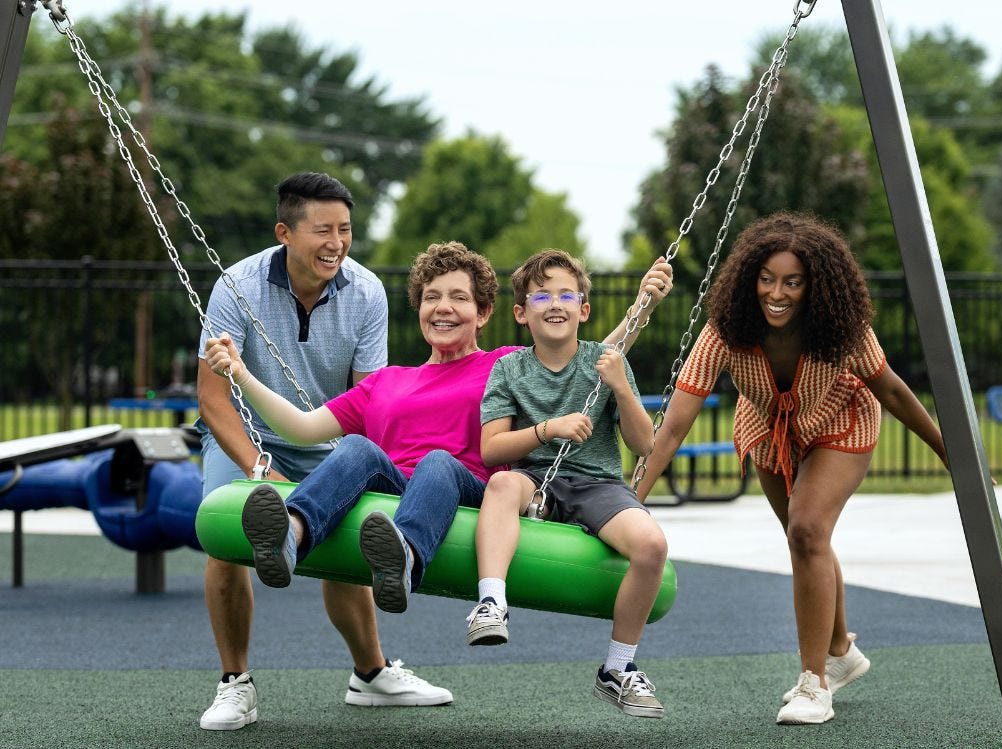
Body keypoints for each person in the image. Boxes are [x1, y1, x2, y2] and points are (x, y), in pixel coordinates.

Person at [202, 241, 672, 710]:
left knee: (437, 461)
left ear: (484, 312)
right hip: (398, 488)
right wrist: (242, 374)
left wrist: (641, 308)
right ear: (419, 309)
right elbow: (301, 428)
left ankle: (402, 555)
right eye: (432, 297)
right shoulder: (384, 382)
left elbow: (583, 360)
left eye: (459, 298)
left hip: (462, 486)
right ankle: (292, 532)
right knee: (355, 447)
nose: (443, 308)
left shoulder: (502, 364)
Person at [636, 212, 948, 726]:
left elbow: (889, 387)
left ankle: (814, 683)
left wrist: (946, 451)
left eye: (792, 282)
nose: (775, 293)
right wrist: (633, 501)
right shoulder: (726, 331)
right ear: (748, 279)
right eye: (766, 279)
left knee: (807, 528)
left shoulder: (840, 328)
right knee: (807, 538)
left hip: (840, 421)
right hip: (770, 432)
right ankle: (843, 651)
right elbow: (672, 427)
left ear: (814, 286)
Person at [195, 172, 451, 731]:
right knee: (225, 536)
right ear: (285, 232)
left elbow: (371, 399)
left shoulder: (365, 292)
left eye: (346, 229)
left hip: (327, 437)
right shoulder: (236, 287)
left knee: (353, 532)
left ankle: (371, 675)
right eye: (323, 230)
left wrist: (363, 465)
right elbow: (214, 400)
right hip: (248, 434)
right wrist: (259, 467)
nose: (336, 242)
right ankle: (235, 683)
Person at [465, 249, 669, 720]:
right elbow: (492, 450)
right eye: (540, 295)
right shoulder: (509, 369)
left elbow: (643, 445)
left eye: (565, 294)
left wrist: (619, 386)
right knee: (499, 486)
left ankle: (618, 668)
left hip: (598, 483)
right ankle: (491, 603)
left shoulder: (606, 360)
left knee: (652, 545)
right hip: (535, 479)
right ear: (521, 313)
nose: (554, 303)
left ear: (584, 308)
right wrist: (548, 428)